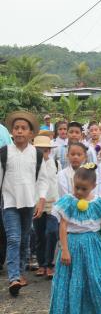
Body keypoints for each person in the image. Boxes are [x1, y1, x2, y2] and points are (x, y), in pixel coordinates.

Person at [50, 163, 101, 313]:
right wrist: (64, 249)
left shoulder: (97, 202)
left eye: (83, 188)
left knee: (97, 277)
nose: (79, 191)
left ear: (93, 186)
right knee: (72, 280)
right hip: (72, 244)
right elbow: (63, 226)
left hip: (94, 244)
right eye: (76, 187)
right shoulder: (68, 201)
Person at [1, 111, 48, 296]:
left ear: (30, 133)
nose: (19, 131)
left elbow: (43, 180)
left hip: (29, 203)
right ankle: (13, 277)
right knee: (13, 239)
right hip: (9, 202)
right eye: (16, 128)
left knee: (25, 240)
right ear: (12, 131)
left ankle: (20, 274)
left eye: (23, 128)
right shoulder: (4, 153)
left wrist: (41, 200)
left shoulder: (36, 154)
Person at [32, 136, 59, 279]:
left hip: (53, 203)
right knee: (40, 235)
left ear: (49, 150)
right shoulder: (31, 165)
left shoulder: (56, 163)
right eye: (39, 150)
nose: (44, 153)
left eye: (46, 150)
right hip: (36, 203)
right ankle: (42, 264)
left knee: (52, 232)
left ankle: (50, 264)